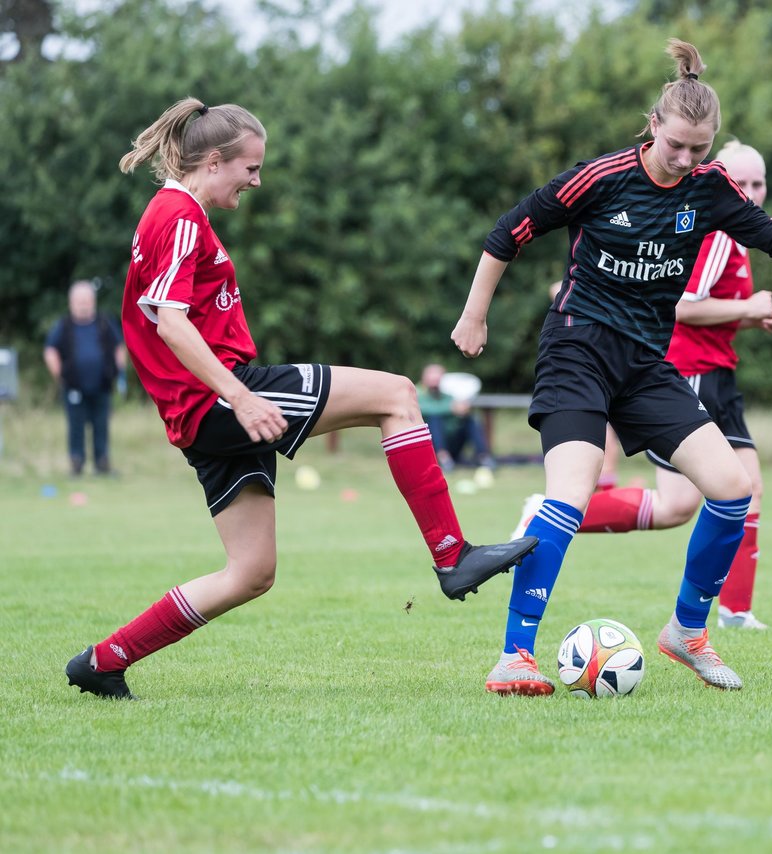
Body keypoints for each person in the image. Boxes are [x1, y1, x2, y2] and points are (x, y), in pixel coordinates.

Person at [452, 39, 772, 695]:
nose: (687, 159)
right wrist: (475, 315)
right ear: (653, 125)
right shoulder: (600, 178)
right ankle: (515, 656)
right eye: (677, 146)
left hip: (644, 364)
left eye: (700, 149)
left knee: (730, 487)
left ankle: (686, 633)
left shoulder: (709, 189)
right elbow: (509, 233)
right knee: (571, 496)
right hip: (578, 348)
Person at [65, 98, 537, 700]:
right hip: (223, 397)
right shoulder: (180, 216)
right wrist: (240, 395)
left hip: (201, 412)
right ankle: (453, 555)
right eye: (251, 168)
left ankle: (103, 661)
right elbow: (171, 324)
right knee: (398, 394)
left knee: (251, 573)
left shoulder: (171, 214)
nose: (258, 181)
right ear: (214, 161)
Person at [524, 140, 772, 632]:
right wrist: (748, 310)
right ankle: (547, 517)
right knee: (678, 504)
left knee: (739, 492)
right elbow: (683, 307)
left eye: (759, 183)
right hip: (687, 370)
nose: (750, 192)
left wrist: (753, 319)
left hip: (718, 371)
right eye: (742, 182)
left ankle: (729, 612)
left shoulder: (737, 236)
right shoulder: (714, 232)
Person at [43, 280, 126, 476]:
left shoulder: (104, 322)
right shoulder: (63, 325)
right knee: (76, 427)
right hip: (74, 387)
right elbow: (50, 350)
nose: (83, 304)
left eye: (87, 300)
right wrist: (60, 376)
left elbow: (119, 347)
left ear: (93, 301)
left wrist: (119, 373)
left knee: (101, 425)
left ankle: (102, 463)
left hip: (102, 385)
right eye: (79, 300)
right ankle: (76, 464)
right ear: (71, 302)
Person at [417, 362, 494, 471]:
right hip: (430, 445)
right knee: (435, 420)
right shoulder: (417, 395)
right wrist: (451, 408)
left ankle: (483, 456)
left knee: (469, 419)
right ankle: (444, 458)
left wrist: (463, 411)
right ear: (424, 379)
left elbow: (457, 413)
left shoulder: (449, 396)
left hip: (452, 440)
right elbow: (424, 410)